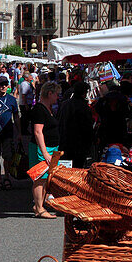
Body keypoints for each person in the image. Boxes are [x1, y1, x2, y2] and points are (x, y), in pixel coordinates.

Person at [29, 82, 61, 218]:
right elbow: (38, 132)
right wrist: (45, 152)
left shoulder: (48, 108)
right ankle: (39, 208)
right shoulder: (39, 109)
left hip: (51, 147)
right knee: (40, 178)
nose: (58, 97)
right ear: (50, 93)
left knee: (46, 178)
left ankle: (39, 205)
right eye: (56, 94)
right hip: (43, 148)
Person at [58, 81, 94, 168]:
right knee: (77, 169)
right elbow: (87, 128)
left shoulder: (65, 104)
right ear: (84, 93)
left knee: (65, 169)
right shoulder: (84, 107)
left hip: (64, 142)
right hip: (78, 145)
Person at [94, 78, 130, 151]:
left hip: (110, 129)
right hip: (117, 129)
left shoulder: (105, 100)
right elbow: (129, 113)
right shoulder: (122, 100)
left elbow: (97, 109)